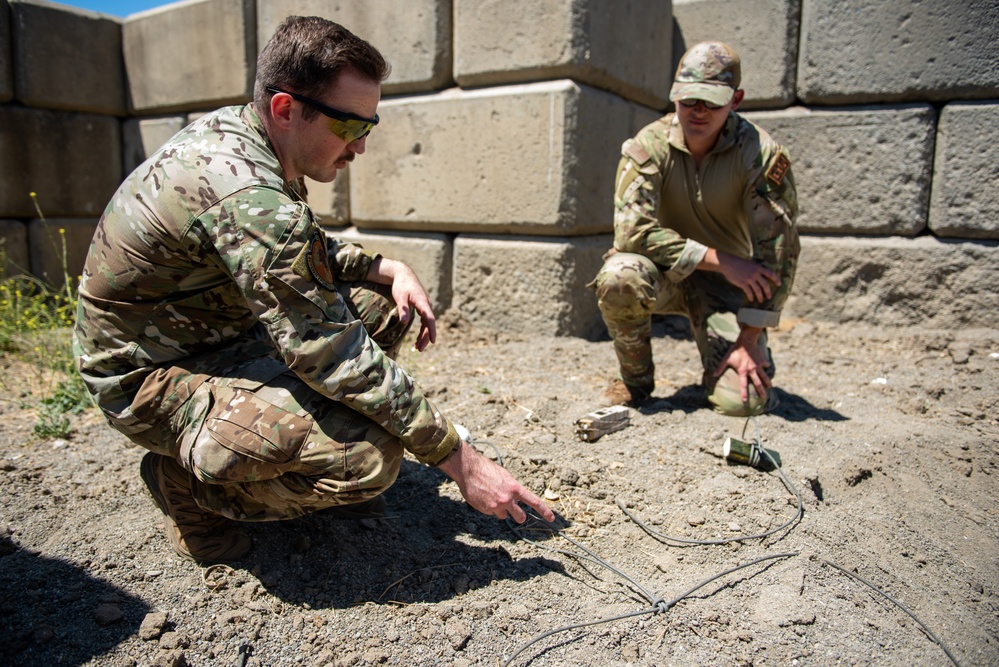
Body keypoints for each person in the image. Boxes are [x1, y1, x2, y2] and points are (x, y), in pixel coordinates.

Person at [73, 16, 553, 564]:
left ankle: (289, 450)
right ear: (285, 108)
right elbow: (327, 347)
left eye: (370, 127)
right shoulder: (242, 186)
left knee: (379, 306)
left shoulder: (255, 137)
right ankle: (185, 486)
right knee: (367, 460)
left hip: (214, 329)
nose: (361, 147)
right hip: (150, 375)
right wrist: (460, 460)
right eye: (350, 127)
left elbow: (296, 251)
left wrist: (384, 267)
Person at [592, 41, 799, 416]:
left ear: (735, 100)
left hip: (726, 289)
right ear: (674, 97)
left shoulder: (760, 153)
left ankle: (739, 364)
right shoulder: (648, 146)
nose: (698, 112)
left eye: (711, 102)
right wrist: (720, 259)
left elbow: (778, 251)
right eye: (688, 101)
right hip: (665, 274)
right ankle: (636, 384)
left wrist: (751, 337)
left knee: (745, 403)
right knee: (619, 275)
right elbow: (631, 232)